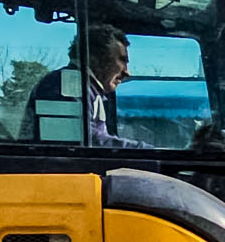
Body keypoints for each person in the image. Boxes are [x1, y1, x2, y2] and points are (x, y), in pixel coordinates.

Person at [18, 23, 149, 148]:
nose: (127, 72)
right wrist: (144, 150)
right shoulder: (66, 86)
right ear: (94, 59)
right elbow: (82, 142)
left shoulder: (88, 89)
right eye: (122, 60)